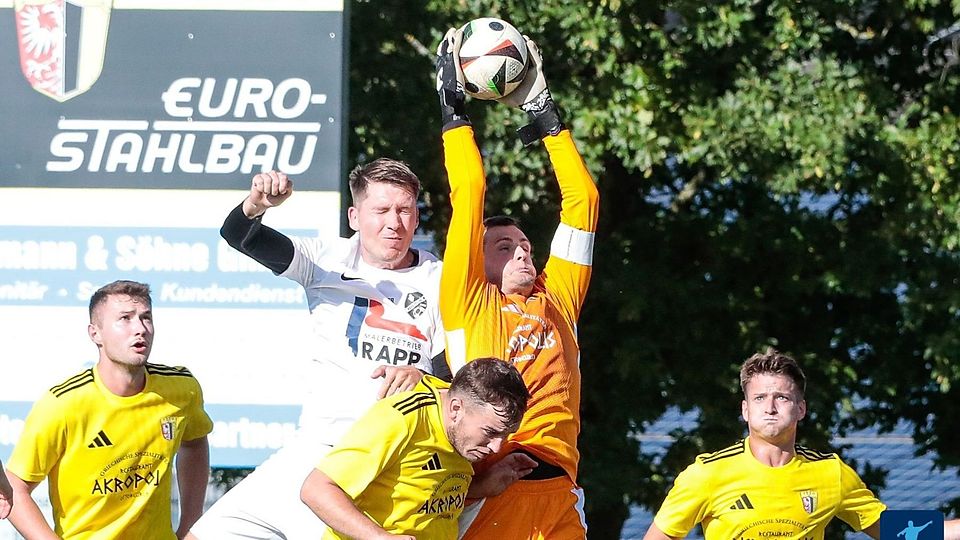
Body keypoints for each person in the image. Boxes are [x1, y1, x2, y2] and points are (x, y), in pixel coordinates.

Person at [188, 159, 449, 539]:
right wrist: (257, 204)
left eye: (404, 210)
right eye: (381, 210)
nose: (394, 222)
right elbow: (239, 234)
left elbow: (459, 379)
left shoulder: (440, 280)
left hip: (386, 462)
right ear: (355, 216)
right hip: (316, 447)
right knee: (207, 533)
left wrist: (422, 378)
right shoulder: (324, 260)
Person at [435, 28, 600, 539]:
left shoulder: (559, 298)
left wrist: (543, 112)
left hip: (560, 490)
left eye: (525, 244)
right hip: (493, 485)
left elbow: (584, 201)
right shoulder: (467, 302)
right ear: (479, 263)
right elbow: (470, 191)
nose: (523, 250)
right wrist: (452, 111)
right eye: (504, 247)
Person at [643, 349, 960, 540]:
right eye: (759, 398)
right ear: (745, 409)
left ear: (801, 408)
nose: (770, 407)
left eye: (781, 397)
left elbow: (897, 532)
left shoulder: (830, 473)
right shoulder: (706, 475)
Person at [4, 280, 213, 539]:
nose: (140, 329)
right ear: (95, 334)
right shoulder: (63, 403)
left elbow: (194, 442)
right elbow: (14, 485)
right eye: (125, 319)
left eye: (146, 318)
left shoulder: (181, 389)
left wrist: (190, 525)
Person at [300, 357, 530, 539]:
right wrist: (378, 537)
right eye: (490, 433)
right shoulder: (401, 418)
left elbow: (422, 487)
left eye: (505, 435)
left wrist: (480, 486)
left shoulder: (466, 423)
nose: (497, 446)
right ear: (456, 409)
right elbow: (316, 489)